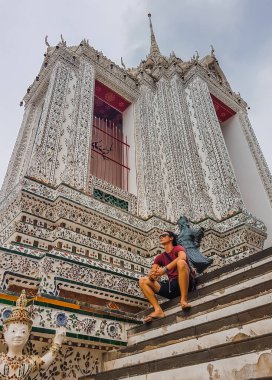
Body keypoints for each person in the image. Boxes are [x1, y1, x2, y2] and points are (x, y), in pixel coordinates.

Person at [0, 290, 66, 379]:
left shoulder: (28, 362)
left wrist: (57, 343)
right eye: (13, 331)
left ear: (27, 336)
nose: (18, 335)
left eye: (23, 332)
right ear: (5, 333)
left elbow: (44, 362)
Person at [139, 231, 194, 323]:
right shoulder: (159, 257)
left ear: (171, 238)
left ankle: (183, 300)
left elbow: (183, 257)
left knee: (181, 263)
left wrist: (164, 269)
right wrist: (152, 275)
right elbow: (153, 271)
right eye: (160, 236)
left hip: (186, 284)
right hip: (172, 287)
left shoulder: (178, 248)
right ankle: (158, 310)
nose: (161, 237)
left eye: (164, 235)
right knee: (143, 281)